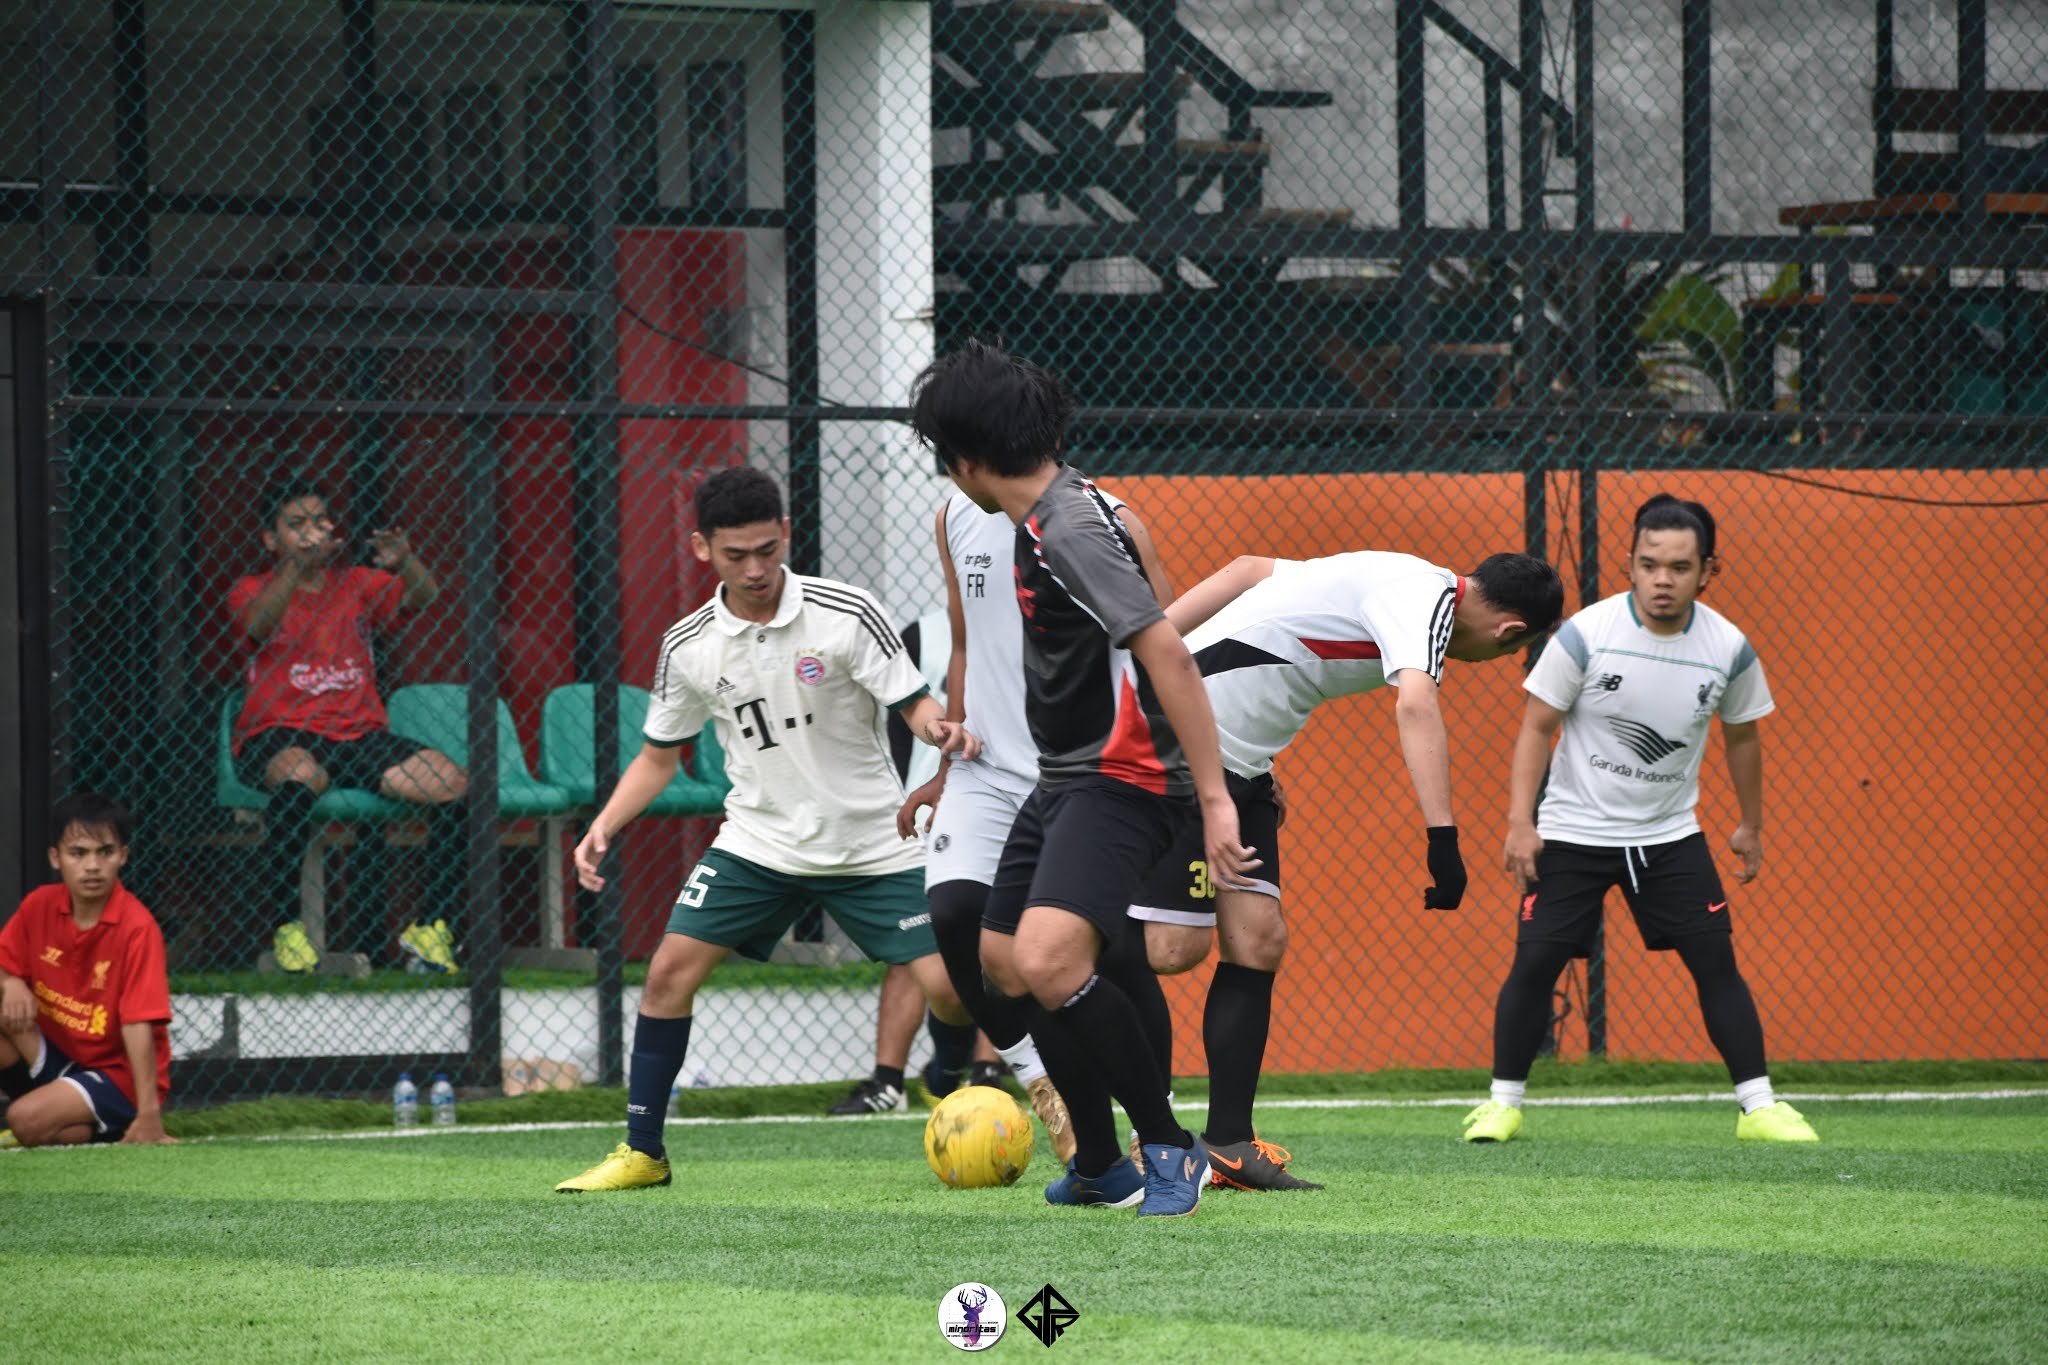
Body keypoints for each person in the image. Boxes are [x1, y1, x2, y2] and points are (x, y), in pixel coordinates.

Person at [554, 467, 979, 1193]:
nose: (754, 569)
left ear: (785, 534)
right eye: (735, 555)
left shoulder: (847, 612)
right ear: (701, 548)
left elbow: (913, 703)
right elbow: (658, 757)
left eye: (766, 550)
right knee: (667, 975)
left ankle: (946, 1077)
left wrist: (941, 730)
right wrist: (605, 823)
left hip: (872, 841)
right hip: (759, 842)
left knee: (952, 991)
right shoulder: (689, 645)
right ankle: (643, 1151)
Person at [911, 339, 1253, 1219]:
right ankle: (1100, 1163)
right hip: (1065, 775)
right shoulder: (1040, 517)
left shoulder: (1069, 528)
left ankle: (1168, 1148)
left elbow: (1168, 648)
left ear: (967, 459)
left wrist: (1216, 799)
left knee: (1049, 957)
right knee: (1000, 959)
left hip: (1123, 774)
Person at [1136, 548, 1565, 1189]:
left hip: (1243, 766)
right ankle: (1071, 1004)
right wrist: (1443, 840)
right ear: (1509, 632)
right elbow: (1415, 705)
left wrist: (1149, 641)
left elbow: (1250, 568)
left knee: (1258, 940)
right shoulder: (1429, 604)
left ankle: (1229, 1144)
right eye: (1507, 651)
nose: (1488, 660)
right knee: (1170, 948)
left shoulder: (1401, 575)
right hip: (1179, 745)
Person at [1462, 495, 1818, 1144]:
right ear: (1629, 564)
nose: (1662, 580)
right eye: (1650, 564)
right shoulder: (1584, 634)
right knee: (1535, 964)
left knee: (1716, 963)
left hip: (1669, 835)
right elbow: (1536, 728)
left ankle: (1759, 1108)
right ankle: (1501, 1105)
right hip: (1572, 831)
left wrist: (1751, 825)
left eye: (1679, 567)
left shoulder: (1729, 648)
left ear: (1707, 571)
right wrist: (1520, 823)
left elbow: (1743, 736)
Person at [890, 485, 1183, 1157]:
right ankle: (1042, 1082)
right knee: (956, 913)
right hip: (987, 765)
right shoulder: (952, 515)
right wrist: (945, 760)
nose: (956, 467)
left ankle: (1155, 1127)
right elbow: (963, 643)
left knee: (1113, 951)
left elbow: (1171, 642)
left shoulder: (1104, 518)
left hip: (1091, 767)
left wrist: (1210, 764)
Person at [229, 482, 467, 973]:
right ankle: (288, 929)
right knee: (298, 776)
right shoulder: (251, 588)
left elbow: (423, 596)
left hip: (359, 734)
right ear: (271, 540)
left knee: (451, 782)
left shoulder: (357, 583)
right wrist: (295, 566)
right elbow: (258, 625)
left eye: (319, 521)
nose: (311, 532)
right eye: (296, 525)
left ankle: (429, 931)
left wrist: (405, 561)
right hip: (281, 730)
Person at [0, 793, 175, 1147]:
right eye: (78, 853)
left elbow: (138, 1024)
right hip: (58, 1056)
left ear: (122, 856)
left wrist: (148, 1114)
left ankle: (63, 1114)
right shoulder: (39, 905)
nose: (92, 866)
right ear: (56, 858)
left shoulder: (138, 928)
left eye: (104, 852)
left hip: (117, 1077)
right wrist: (11, 981)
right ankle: (60, 1112)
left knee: (24, 1121)